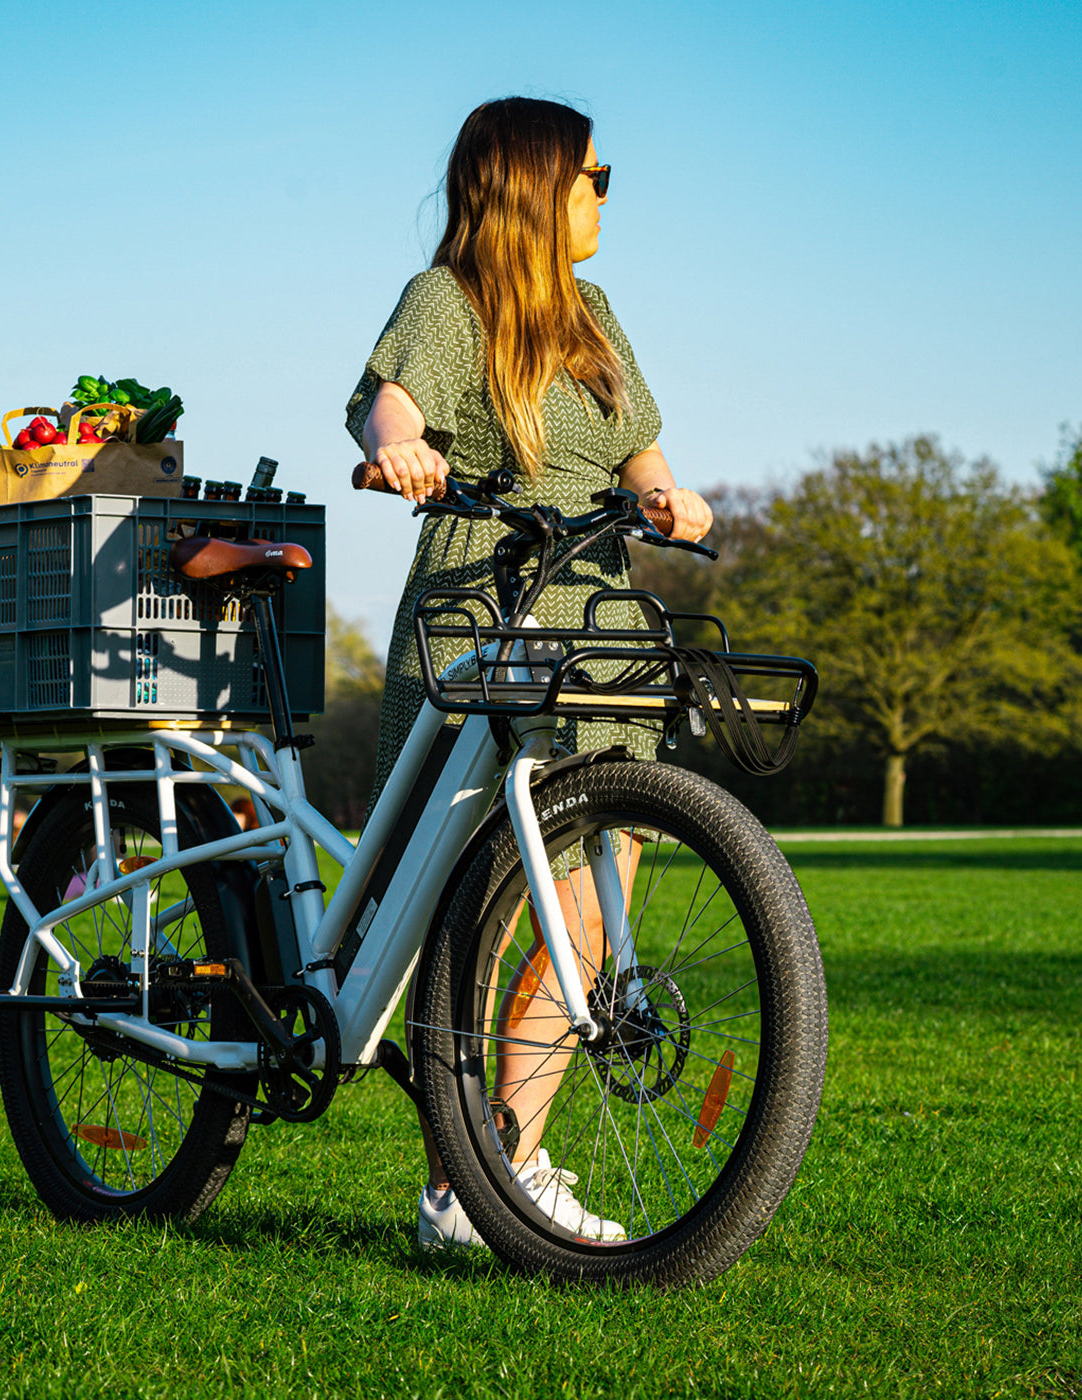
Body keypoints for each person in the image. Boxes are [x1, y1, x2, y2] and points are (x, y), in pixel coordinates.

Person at [345, 97, 714, 1251]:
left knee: (596, 897)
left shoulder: (592, 312)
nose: (604, 193)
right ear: (532, 185)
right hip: (482, 608)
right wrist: (394, 448)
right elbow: (386, 401)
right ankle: (459, 1187)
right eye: (592, 173)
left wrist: (668, 494)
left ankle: (508, 1162)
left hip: (595, 617)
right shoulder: (448, 303)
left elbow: (638, 448)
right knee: (482, 905)